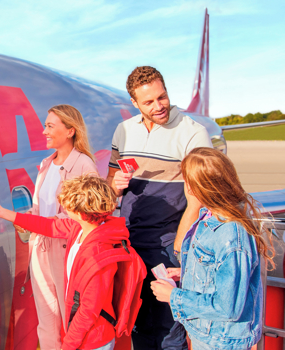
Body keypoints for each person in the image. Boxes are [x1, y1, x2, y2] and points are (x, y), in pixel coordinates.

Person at [106, 66, 212, 349]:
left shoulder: (192, 133)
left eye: (161, 97)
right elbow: (110, 184)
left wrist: (179, 247)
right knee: (138, 323)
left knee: (169, 329)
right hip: (130, 243)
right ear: (134, 103)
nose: (159, 106)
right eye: (149, 102)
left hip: (168, 244)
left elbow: (198, 198)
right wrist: (116, 184)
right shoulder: (124, 131)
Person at [0, 175, 145, 350]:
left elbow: (88, 310)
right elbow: (46, 225)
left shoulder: (98, 254)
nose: (65, 208)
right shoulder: (79, 228)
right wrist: (3, 213)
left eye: (68, 205)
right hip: (82, 335)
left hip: (92, 341)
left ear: (80, 213)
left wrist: (68, 345)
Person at [150, 147, 274, 350]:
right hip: (208, 334)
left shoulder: (231, 235)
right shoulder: (210, 216)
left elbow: (228, 308)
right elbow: (219, 274)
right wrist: (189, 273)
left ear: (198, 188)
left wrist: (173, 296)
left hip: (221, 340)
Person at [25, 104, 99, 350]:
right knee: (46, 322)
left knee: (72, 320)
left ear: (70, 131)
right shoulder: (46, 164)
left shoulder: (84, 166)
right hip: (41, 247)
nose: (44, 131)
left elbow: (87, 216)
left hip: (67, 251)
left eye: (50, 126)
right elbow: (41, 208)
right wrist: (30, 218)